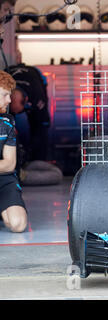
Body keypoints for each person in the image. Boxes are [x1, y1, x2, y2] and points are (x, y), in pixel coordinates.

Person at [0, 70, 27, 233]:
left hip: (4, 180)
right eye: (5, 95)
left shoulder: (7, 122)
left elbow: (9, 164)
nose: (9, 100)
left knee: (18, 225)